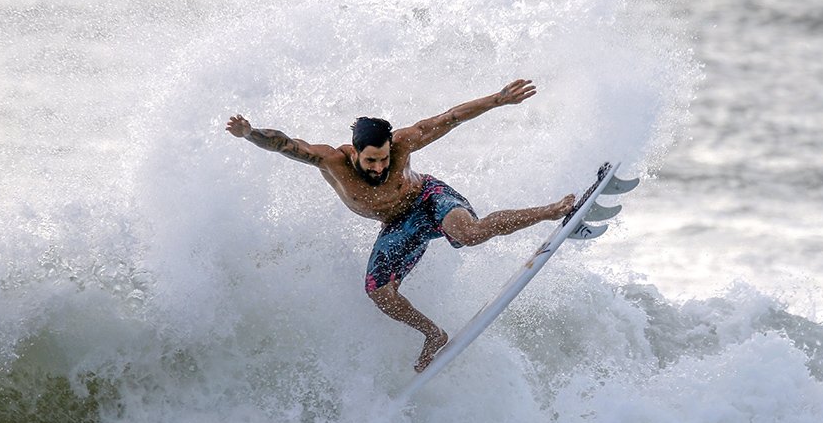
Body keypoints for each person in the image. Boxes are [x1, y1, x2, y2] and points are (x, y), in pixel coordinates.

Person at [226, 79, 575, 372]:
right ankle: (433, 333)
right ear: (354, 153)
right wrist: (250, 133)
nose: (378, 167)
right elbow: (287, 144)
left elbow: (451, 117)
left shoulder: (405, 142)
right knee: (379, 293)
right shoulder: (331, 160)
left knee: (469, 233)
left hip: (429, 198)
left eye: (384, 159)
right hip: (398, 226)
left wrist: (498, 100)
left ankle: (551, 210)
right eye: (370, 161)